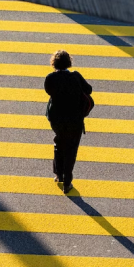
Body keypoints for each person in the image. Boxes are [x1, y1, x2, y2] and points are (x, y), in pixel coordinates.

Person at [44, 50, 92, 194]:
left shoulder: (50, 78)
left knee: (59, 142)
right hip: (74, 119)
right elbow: (89, 90)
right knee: (71, 148)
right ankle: (67, 182)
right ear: (69, 62)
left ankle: (58, 174)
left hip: (56, 119)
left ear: (54, 63)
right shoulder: (75, 76)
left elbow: (48, 91)